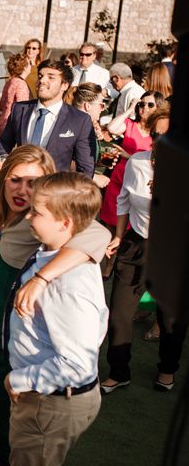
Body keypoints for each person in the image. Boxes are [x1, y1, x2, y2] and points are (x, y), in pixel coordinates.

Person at [0, 145, 110, 465]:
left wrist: (43, 277)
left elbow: (98, 235)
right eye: (15, 180)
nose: (23, 190)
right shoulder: (1, 210)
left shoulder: (44, 227)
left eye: (33, 183)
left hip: (12, 335)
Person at [5, 172, 108, 466]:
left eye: (37, 212)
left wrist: (19, 379)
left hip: (48, 401)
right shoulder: (56, 253)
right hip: (47, 396)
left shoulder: (69, 285)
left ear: (65, 223)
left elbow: (77, 365)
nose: (28, 217)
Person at [100, 108, 185, 394]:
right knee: (119, 315)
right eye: (158, 133)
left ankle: (167, 369)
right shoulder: (136, 163)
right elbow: (123, 200)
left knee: (170, 319)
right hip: (135, 245)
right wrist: (119, 235)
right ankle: (118, 371)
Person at [0, 59, 97, 177]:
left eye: (51, 77)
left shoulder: (79, 120)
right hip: (20, 186)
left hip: (54, 190)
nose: (42, 80)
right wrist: (4, 161)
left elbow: (85, 168)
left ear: (64, 85)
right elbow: (4, 142)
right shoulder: (20, 109)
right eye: (40, 76)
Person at [99, 91, 165, 229]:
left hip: (141, 182)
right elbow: (112, 128)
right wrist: (130, 109)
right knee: (111, 222)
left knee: (132, 227)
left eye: (150, 105)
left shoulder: (158, 132)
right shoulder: (130, 124)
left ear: (158, 108)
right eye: (142, 104)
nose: (145, 108)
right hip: (119, 179)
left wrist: (129, 157)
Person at [0, 53, 31, 134]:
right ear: (25, 67)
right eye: (30, 63)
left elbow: (1, 105)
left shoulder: (10, 81)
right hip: (12, 124)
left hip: (3, 120)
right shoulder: (21, 84)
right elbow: (22, 107)